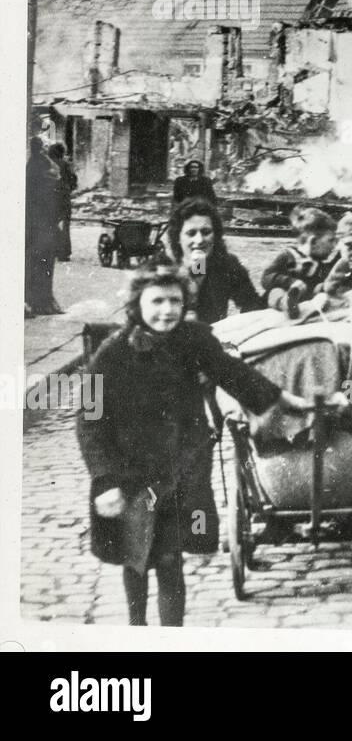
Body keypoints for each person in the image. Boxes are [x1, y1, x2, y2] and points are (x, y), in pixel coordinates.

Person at [76, 262, 314, 625]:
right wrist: (104, 480)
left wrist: (285, 399)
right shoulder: (111, 354)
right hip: (130, 472)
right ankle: (136, 628)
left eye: (175, 301)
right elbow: (89, 422)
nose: (167, 310)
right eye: (157, 301)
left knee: (171, 558)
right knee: (136, 556)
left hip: (180, 468)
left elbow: (234, 374)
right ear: (137, 303)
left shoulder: (194, 338)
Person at [163, 198, 264, 324]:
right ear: (178, 237)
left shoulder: (227, 264)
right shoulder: (163, 266)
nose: (199, 240)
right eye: (191, 233)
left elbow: (251, 303)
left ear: (215, 235)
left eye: (206, 232)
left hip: (212, 337)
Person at [261, 209, 338, 317]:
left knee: (322, 291)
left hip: (307, 298)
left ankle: (315, 308)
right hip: (284, 294)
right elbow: (266, 277)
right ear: (313, 241)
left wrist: (323, 286)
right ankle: (287, 304)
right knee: (275, 291)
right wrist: (290, 282)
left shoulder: (320, 265)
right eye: (331, 241)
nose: (334, 246)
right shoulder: (288, 256)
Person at [25, 138, 63, 315]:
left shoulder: (36, 165)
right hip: (40, 226)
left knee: (39, 264)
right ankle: (41, 302)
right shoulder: (39, 166)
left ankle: (41, 301)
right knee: (40, 264)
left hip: (41, 225)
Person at [48, 143, 77, 262]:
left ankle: (51, 250)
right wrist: (69, 188)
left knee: (50, 225)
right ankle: (64, 253)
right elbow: (74, 180)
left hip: (50, 199)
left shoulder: (48, 164)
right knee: (65, 225)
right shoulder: (66, 165)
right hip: (64, 199)